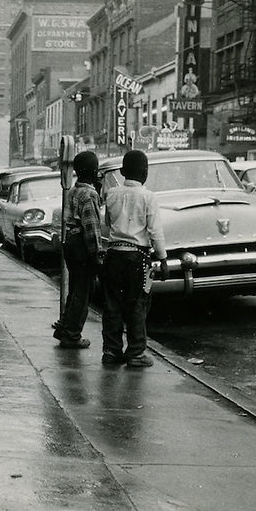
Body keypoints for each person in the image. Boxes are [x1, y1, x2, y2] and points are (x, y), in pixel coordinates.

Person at [101, 149, 169, 367]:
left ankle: (111, 351)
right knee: (138, 303)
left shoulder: (111, 194)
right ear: (145, 172)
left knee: (112, 304)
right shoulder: (149, 197)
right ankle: (136, 352)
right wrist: (163, 259)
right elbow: (155, 231)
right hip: (139, 259)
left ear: (122, 171)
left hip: (113, 256)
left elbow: (108, 223)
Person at [54, 151, 102, 348]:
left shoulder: (74, 190)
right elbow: (91, 228)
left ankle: (65, 326)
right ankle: (72, 334)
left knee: (74, 289)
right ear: (94, 170)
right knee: (83, 292)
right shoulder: (89, 194)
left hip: (70, 243)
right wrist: (97, 255)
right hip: (82, 244)